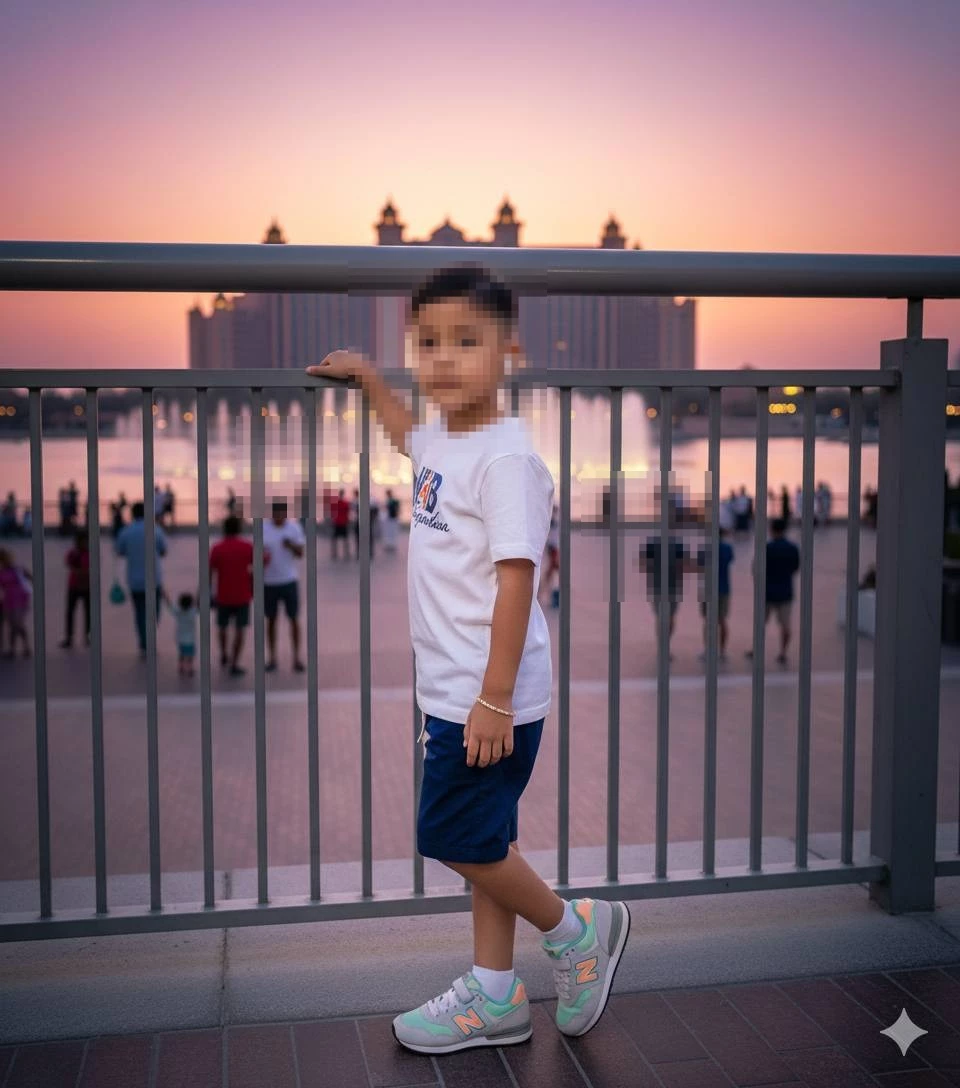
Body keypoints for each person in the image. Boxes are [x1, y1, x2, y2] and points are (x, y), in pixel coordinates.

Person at [306, 263, 630, 1055]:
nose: (444, 359)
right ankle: (494, 995)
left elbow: (519, 579)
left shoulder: (505, 460)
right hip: (456, 688)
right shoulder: (451, 439)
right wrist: (370, 380)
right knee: (487, 838)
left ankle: (574, 930)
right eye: (427, 343)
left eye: (466, 341)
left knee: (453, 834)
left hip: (487, 695)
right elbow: (405, 437)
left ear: (508, 353)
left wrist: (490, 698)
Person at [114, 501, 167, 658]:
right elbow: (163, 550)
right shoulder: (155, 530)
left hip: (135, 579)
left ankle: (144, 643)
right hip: (154, 579)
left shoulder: (126, 531)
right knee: (154, 613)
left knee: (139, 613)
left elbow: (120, 551)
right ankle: (150, 640)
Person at [746, 517, 800, 666]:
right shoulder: (792, 548)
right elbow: (796, 567)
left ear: (771, 530)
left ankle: (756, 649)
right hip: (785, 591)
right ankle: (783, 652)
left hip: (767, 591)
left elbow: (756, 569)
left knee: (761, 623)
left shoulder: (766, 548)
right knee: (785, 625)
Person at [262, 499, 306, 673]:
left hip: (289, 580)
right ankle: (272, 657)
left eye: (282, 514)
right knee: (271, 620)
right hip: (269, 582)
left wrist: (290, 545)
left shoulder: (293, 528)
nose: (279, 517)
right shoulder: (264, 528)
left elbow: (301, 553)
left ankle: (297, 657)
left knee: (293, 619)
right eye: (276, 515)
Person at [209, 515, 254, 677]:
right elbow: (262, 562)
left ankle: (223, 653)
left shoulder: (217, 548)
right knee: (240, 629)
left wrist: (206, 592)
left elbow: (210, 571)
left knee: (222, 626)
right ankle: (234, 662)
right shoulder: (247, 547)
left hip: (223, 595)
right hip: (242, 594)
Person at [697, 527, 734, 662]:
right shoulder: (727, 548)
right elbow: (730, 560)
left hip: (708, 588)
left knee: (708, 621)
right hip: (724, 588)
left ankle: (708, 650)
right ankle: (722, 650)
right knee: (722, 620)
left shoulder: (705, 549)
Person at [59, 528, 91, 649]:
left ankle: (88, 635)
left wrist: (81, 572)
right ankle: (69, 636)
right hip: (74, 585)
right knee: (70, 611)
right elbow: (69, 563)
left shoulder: (89, 552)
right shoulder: (74, 553)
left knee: (88, 612)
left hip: (86, 585)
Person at [0, 548, 32, 658]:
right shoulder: (2, 571)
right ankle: (13, 648)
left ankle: (25, 646)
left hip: (20, 599)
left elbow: (31, 577)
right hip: (8, 600)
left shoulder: (17, 569)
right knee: (12, 625)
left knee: (17, 624)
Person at [164, 590, 198, 677]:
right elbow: (198, 603)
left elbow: (169, 605)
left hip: (180, 637)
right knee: (190, 654)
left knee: (181, 653)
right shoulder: (193, 611)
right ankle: (190, 668)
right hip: (191, 638)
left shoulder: (178, 611)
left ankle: (181, 667)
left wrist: (165, 595)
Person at [539, 505, 560, 609]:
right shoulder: (551, 522)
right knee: (550, 571)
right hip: (552, 545)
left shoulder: (554, 521)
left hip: (553, 545)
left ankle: (550, 593)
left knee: (551, 572)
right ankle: (544, 593)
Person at [331, 488, 350, 560]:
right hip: (343, 522)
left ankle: (334, 553)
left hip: (337, 522)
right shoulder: (345, 503)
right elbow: (347, 513)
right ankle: (346, 553)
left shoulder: (336, 503)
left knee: (335, 539)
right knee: (345, 539)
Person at [384, 488, 401, 553]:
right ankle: (389, 544)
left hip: (393, 518)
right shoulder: (390, 501)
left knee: (392, 532)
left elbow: (397, 509)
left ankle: (392, 544)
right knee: (389, 532)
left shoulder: (393, 501)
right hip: (390, 517)